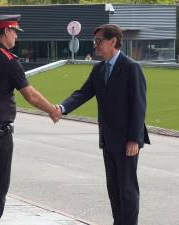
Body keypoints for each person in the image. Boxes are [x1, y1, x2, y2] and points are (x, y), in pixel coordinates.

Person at [0, 14, 61, 225]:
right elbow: (31, 96)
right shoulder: (7, 61)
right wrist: (52, 111)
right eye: (15, 32)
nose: (16, 38)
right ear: (6, 32)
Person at [56, 24, 150, 225]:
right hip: (108, 139)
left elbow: (139, 105)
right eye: (95, 42)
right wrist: (61, 108)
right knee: (114, 189)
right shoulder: (99, 69)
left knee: (127, 189)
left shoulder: (131, 68)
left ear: (113, 41)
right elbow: (83, 93)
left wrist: (135, 138)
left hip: (127, 141)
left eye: (99, 41)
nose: (95, 46)